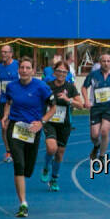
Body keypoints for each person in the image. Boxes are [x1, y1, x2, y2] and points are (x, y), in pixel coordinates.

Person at [2, 56, 54, 218]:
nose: (24, 71)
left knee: (28, 169)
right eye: (21, 68)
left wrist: (42, 122)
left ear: (33, 70)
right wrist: (5, 116)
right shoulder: (11, 86)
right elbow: (8, 102)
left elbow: (53, 107)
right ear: (18, 70)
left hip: (33, 129)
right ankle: (23, 203)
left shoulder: (41, 87)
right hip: (16, 128)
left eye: (27, 68)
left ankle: (24, 188)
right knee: (18, 163)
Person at [41, 61, 82, 191]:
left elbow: (80, 105)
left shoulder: (70, 87)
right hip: (49, 121)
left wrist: (68, 99)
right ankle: (46, 166)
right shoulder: (47, 86)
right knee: (51, 148)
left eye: (64, 72)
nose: (61, 74)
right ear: (54, 72)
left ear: (67, 74)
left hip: (64, 124)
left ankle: (54, 179)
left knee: (59, 153)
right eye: (59, 71)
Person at [82, 52, 110, 160]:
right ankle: (96, 146)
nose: (106, 63)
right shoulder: (93, 74)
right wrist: (86, 100)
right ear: (100, 63)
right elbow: (84, 87)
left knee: (104, 131)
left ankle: (102, 156)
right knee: (94, 135)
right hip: (95, 107)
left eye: (108, 61)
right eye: (104, 61)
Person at [0, 45, 20, 163]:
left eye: (5, 52)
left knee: (17, 126)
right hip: (4, 101)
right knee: (4, 127)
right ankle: (8, 151)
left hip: (16, 102)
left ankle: (18, 150)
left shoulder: (18, 65)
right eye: (2, 52)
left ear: (11, 54)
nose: (3, 54)